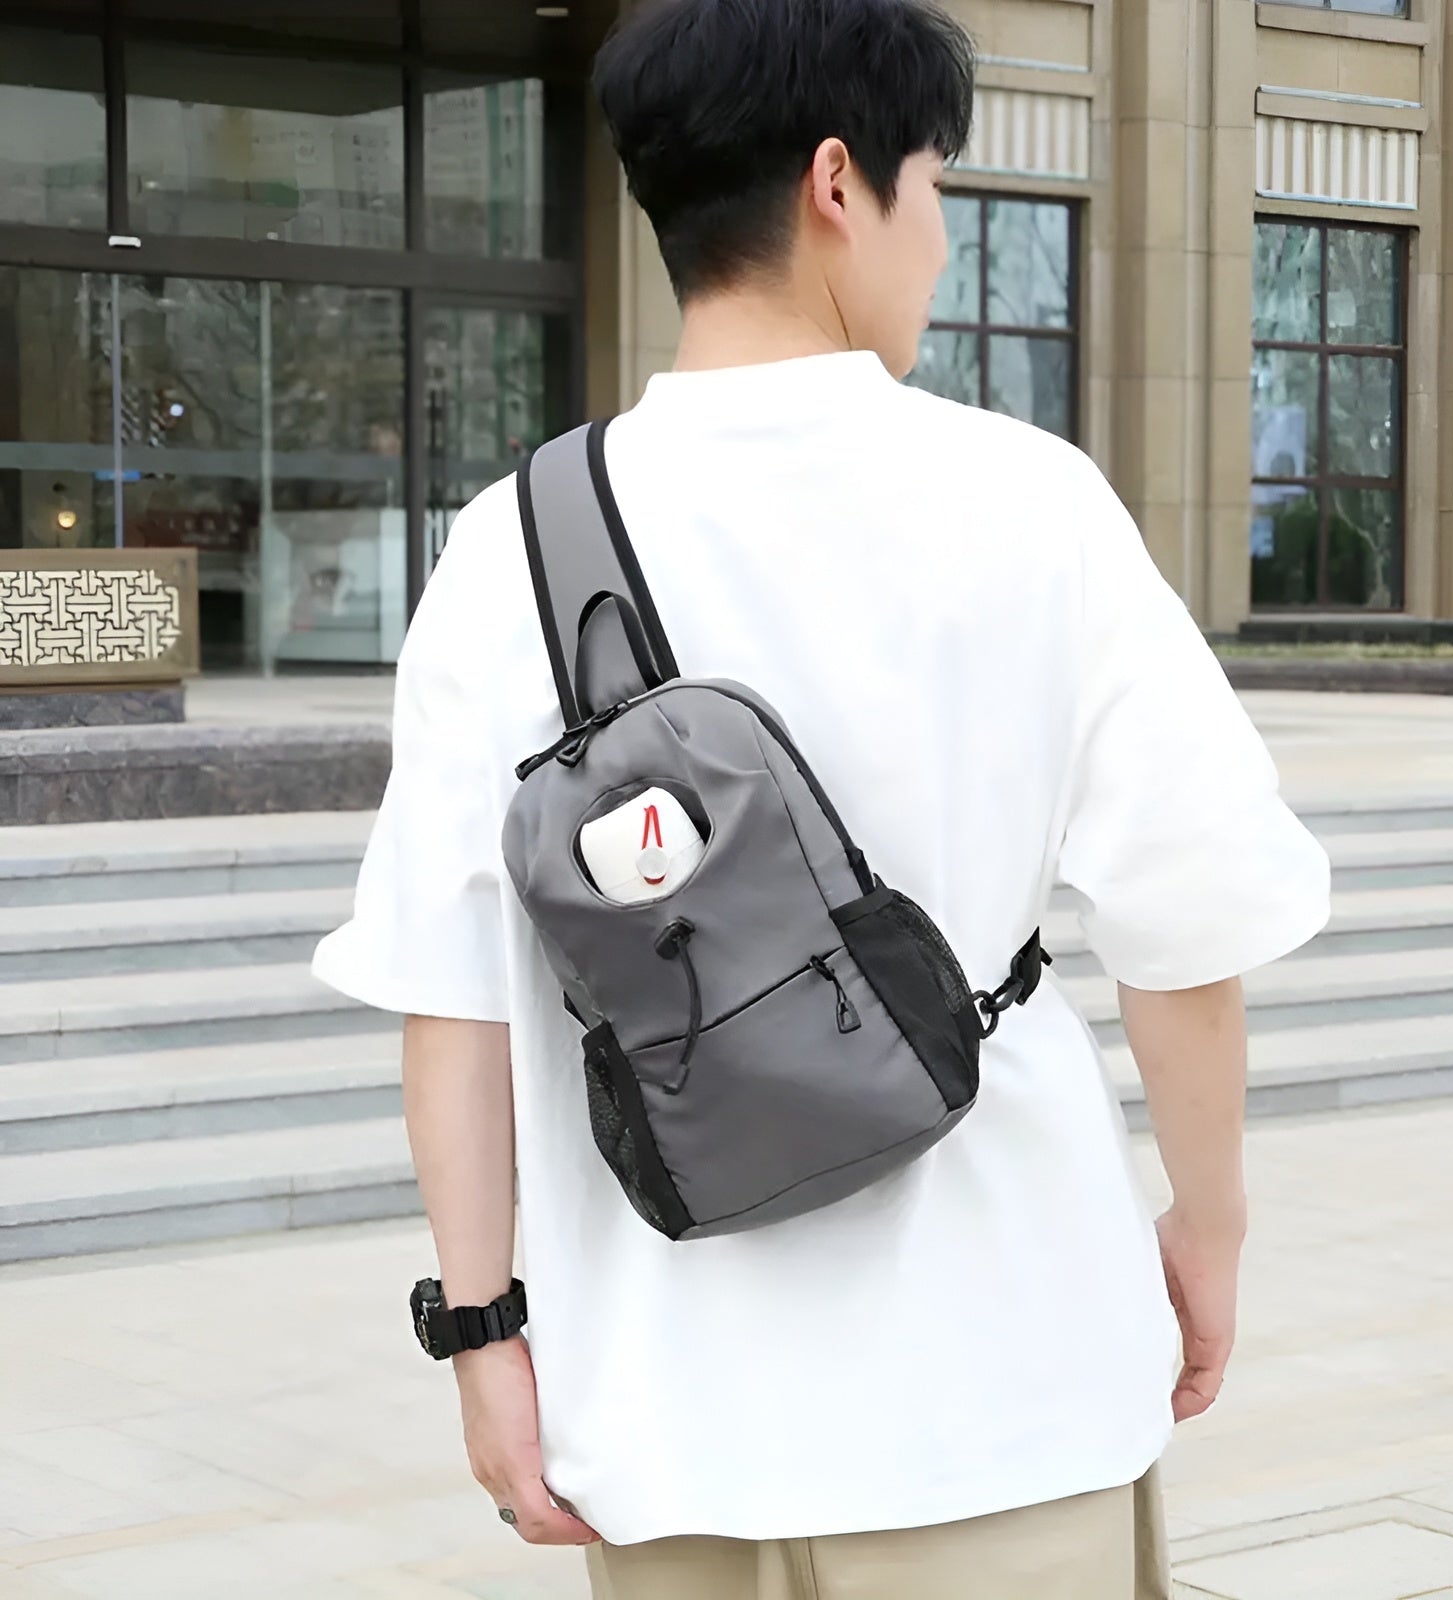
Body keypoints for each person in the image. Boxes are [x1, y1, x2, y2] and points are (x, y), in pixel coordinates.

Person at [312, 1, 1331, 1594]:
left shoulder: (510, 537)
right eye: (938, 187)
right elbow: (1187, 926)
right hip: (1002, 1382)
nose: (939, 239)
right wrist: (1211, 1225)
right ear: (838, 185)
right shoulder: (1030, 500)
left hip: (666, 1412)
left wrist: (484, 1338)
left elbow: (452, 995)